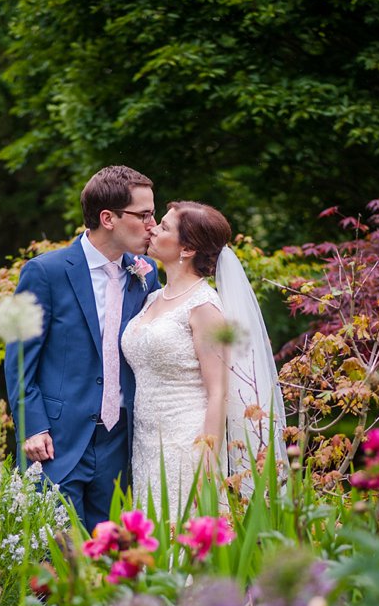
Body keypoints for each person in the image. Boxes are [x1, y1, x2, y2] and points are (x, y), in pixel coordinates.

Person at [7, 165, 160, 529]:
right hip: (56, 441)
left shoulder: (147, 273)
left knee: (111, 562)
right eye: (144, 215)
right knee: (56, 563)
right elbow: (19, 360)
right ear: (108, 218)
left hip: (119, 443)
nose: (153, 224)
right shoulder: (45, 272)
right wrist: (32, 426)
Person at [121, 201, 285, 517]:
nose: (153, 228)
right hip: (145, 442)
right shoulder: (153, 297)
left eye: (165, 227)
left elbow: (218, 392)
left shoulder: (204, 307)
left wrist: (208, 460)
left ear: (187, 249)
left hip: (187, 444)